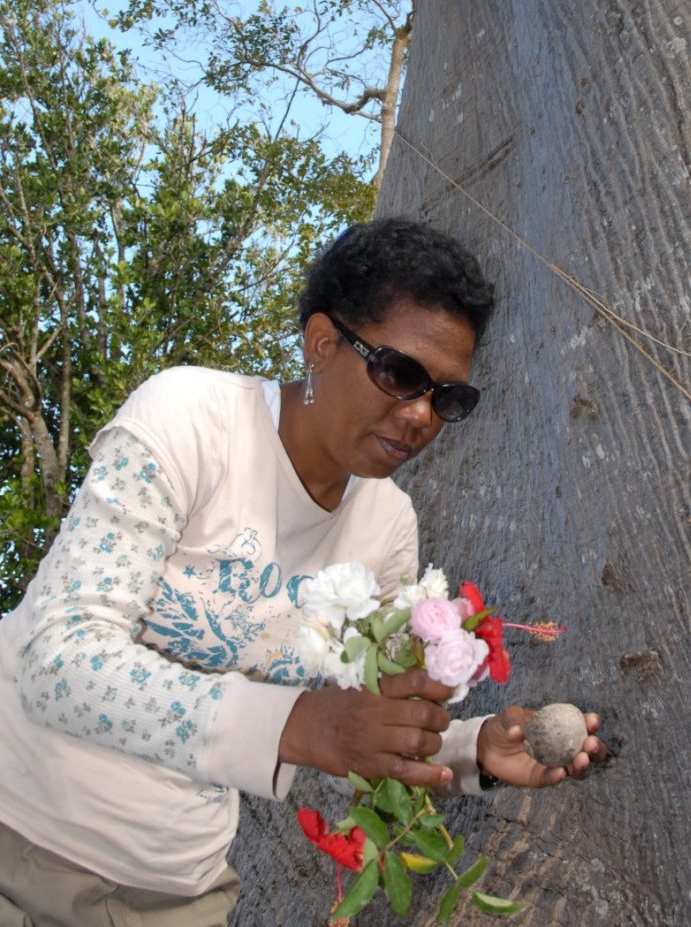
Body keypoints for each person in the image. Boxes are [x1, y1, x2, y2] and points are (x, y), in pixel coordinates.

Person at [0, 218, 605, 926]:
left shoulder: (387, 530)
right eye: (400, 373)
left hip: (174, 892)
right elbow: (59, 661)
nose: (418, 416)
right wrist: (292, 722)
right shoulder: (190, 419)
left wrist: (477, 751)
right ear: (322, 344)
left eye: (447, 398)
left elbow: (359, 724)